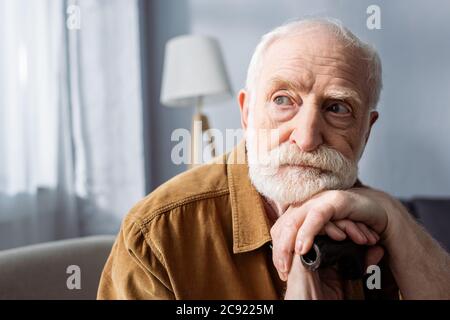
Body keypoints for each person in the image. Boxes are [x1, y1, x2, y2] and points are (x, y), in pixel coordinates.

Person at [97, 18, 450, 300]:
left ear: (365, 132)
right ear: (247, 113)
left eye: (338, 108)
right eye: (283, 100)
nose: (307, 138)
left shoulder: (376, 225)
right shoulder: (158, 236)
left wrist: (395, 219)